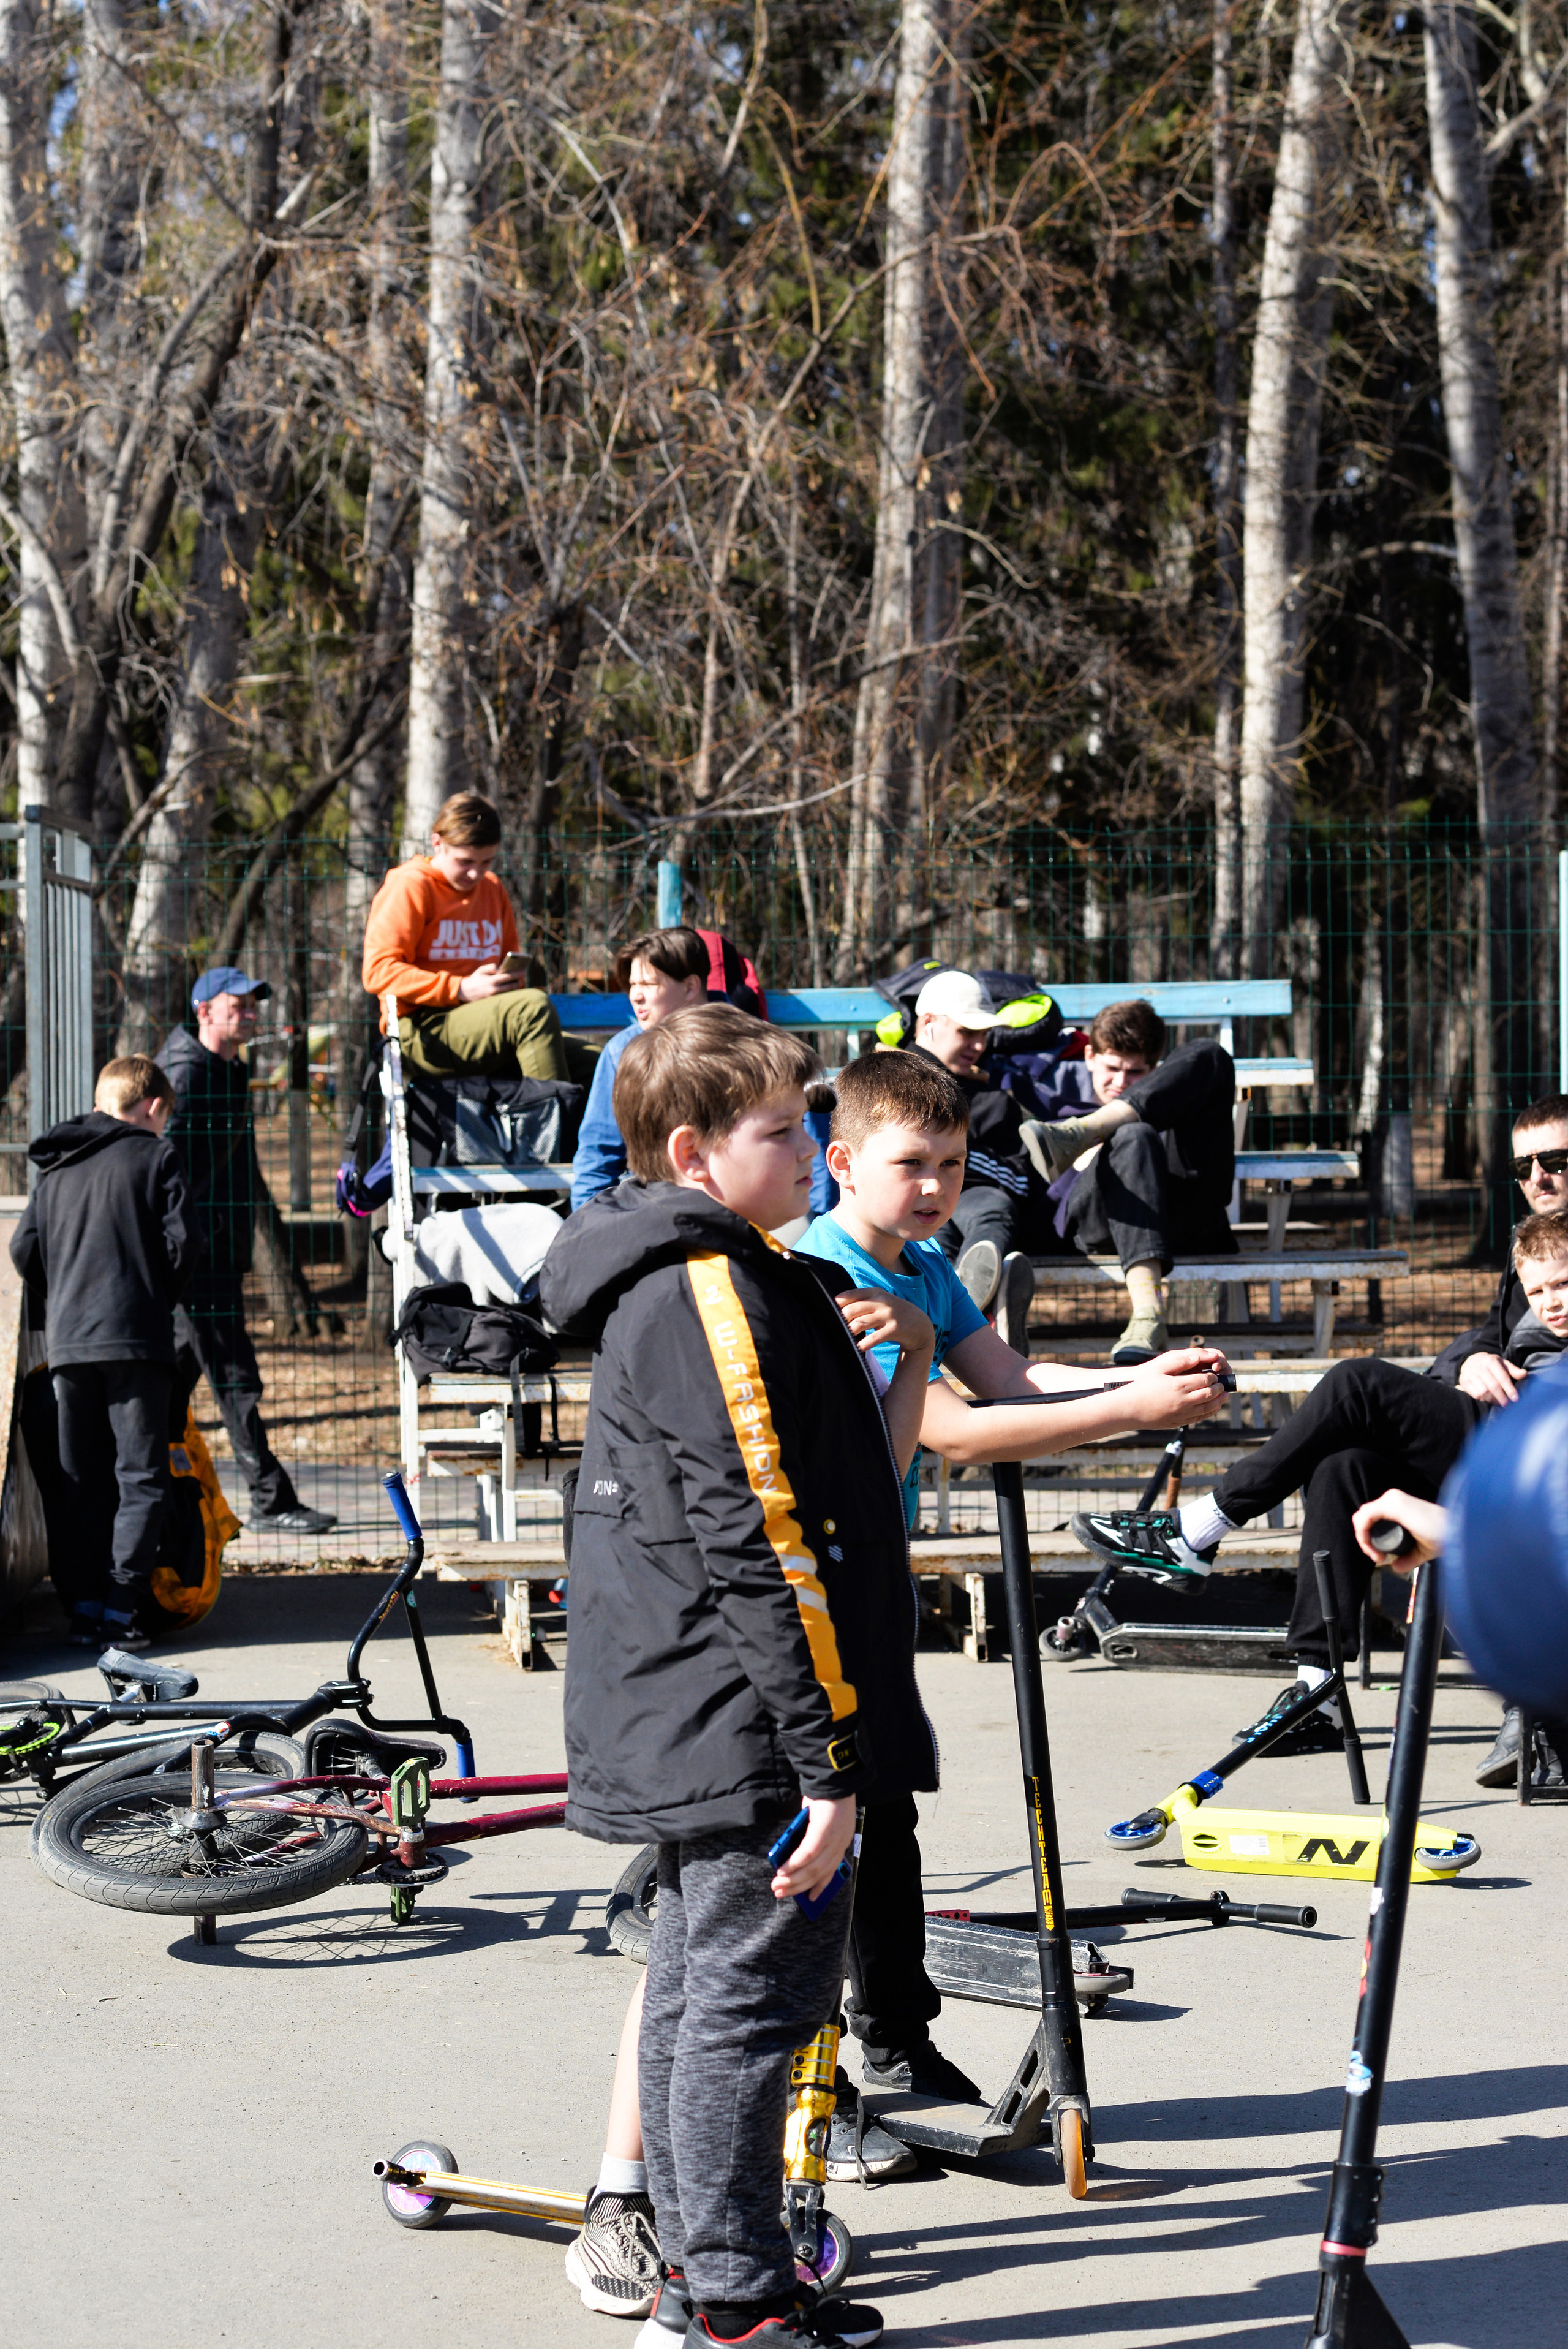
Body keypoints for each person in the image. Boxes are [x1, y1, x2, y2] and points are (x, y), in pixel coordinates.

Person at [539, 1004, 939, 2349]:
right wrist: (830, 1756)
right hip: (742, 1719)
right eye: (784, 1131)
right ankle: (732, 2302)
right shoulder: (706, 1286)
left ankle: (701, 2276)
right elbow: (759, 1534)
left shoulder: (727, 1265)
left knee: (707, 1989)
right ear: (696, 1152)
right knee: (749, 2006)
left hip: (703, 1705)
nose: (814, 1149)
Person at [796, 1049, 1232, 2113]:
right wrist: (1132, 1413)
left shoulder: (926, 1262)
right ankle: (811, 2081)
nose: (939, 1185)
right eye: (914, 1163)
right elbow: (954, 1429)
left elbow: (1010, 1377)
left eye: (952, 1161)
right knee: (825, 1830)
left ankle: (897, 2042)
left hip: (878, 1579)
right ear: (843, 1161)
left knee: (889, 1818)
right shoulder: (825, 1273)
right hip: (813, 1588)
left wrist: (1142, 1374)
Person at [1070, 1194, 1568, 1777]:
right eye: (1537, 1292)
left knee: (1356, 1383)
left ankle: (1202, 1527)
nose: (1549, 1303)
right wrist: (1470, 1360)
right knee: (1342, 1468)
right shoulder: (1531, 1320)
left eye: (1562, 1285)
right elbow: (1483, 1340)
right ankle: (1319, 1689)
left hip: (1540, 1458)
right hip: (1498, 1440)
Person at [10, 1056, 197, 1648]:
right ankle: (121, 1609)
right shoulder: (155, 1155)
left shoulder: (57, 1170)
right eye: (165, 1115)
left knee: (78, 1480)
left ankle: (84, 1608)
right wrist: (150, 1297)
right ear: (152, 1106)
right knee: (141, 1477)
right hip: (136, 1339)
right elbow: (183, 1245)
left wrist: (64, 1297)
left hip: (70, 1345)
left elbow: (23, 1249)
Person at [158, 969, 334, 1537]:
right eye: (239, 1005)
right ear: (204, 1010)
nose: (251, 1014)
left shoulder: (230, 1067)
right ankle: (269, 1497)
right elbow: (159, 1171)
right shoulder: (183, 1076)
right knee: (234, 1377)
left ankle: (140, 1487)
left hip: (218, 1246)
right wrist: (181, 1246)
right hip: (194, 1256)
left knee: (176, 1379)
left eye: (255, 1005)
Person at [1015, 997, 1237, 1366]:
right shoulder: (1049, 1104)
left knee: (1212, 1056)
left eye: (1135, 1073)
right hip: (1094, 1224)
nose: (1120, 1082)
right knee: (1134, 1137)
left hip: (1178, 1217)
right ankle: (1149, 1314)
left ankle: (1087, 1132)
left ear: (1154, 1071)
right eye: (1112, 1068)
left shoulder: (1169, 1103)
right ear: (1089, 1057)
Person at [361, 790, 577, 1083]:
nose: (476, 874)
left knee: (607, 1061)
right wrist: (460, 989)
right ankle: (550, 1128)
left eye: (486, 862)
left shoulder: (492, 889)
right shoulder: (411, 885)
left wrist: (503, 983)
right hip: (421, 1030)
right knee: (533, 1009)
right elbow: (378, 972)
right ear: (437, 843)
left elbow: (511, 966)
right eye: (465, 862)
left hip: (487, 1020)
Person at [905, 968, 1040, 1347]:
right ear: (929, 1023)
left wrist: (952, 1161)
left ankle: (961, 1321)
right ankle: (978, 1324)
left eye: (984, 1034)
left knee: (991, 1208)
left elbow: (1018, 1178)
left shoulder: (994, 1100)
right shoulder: (887, 1086)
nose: (979, 1045)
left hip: (975, 1199)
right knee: (932, 1233)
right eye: (967, 1032)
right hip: (908, 1206)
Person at [570, 927, 712, 1208]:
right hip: (655, 1209)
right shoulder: (622, 1052)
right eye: (633, 985)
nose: (636, 996)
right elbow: (598, 1157)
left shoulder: (748, 1045)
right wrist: (588, 1225)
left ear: (690, 987)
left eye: (649, 984)